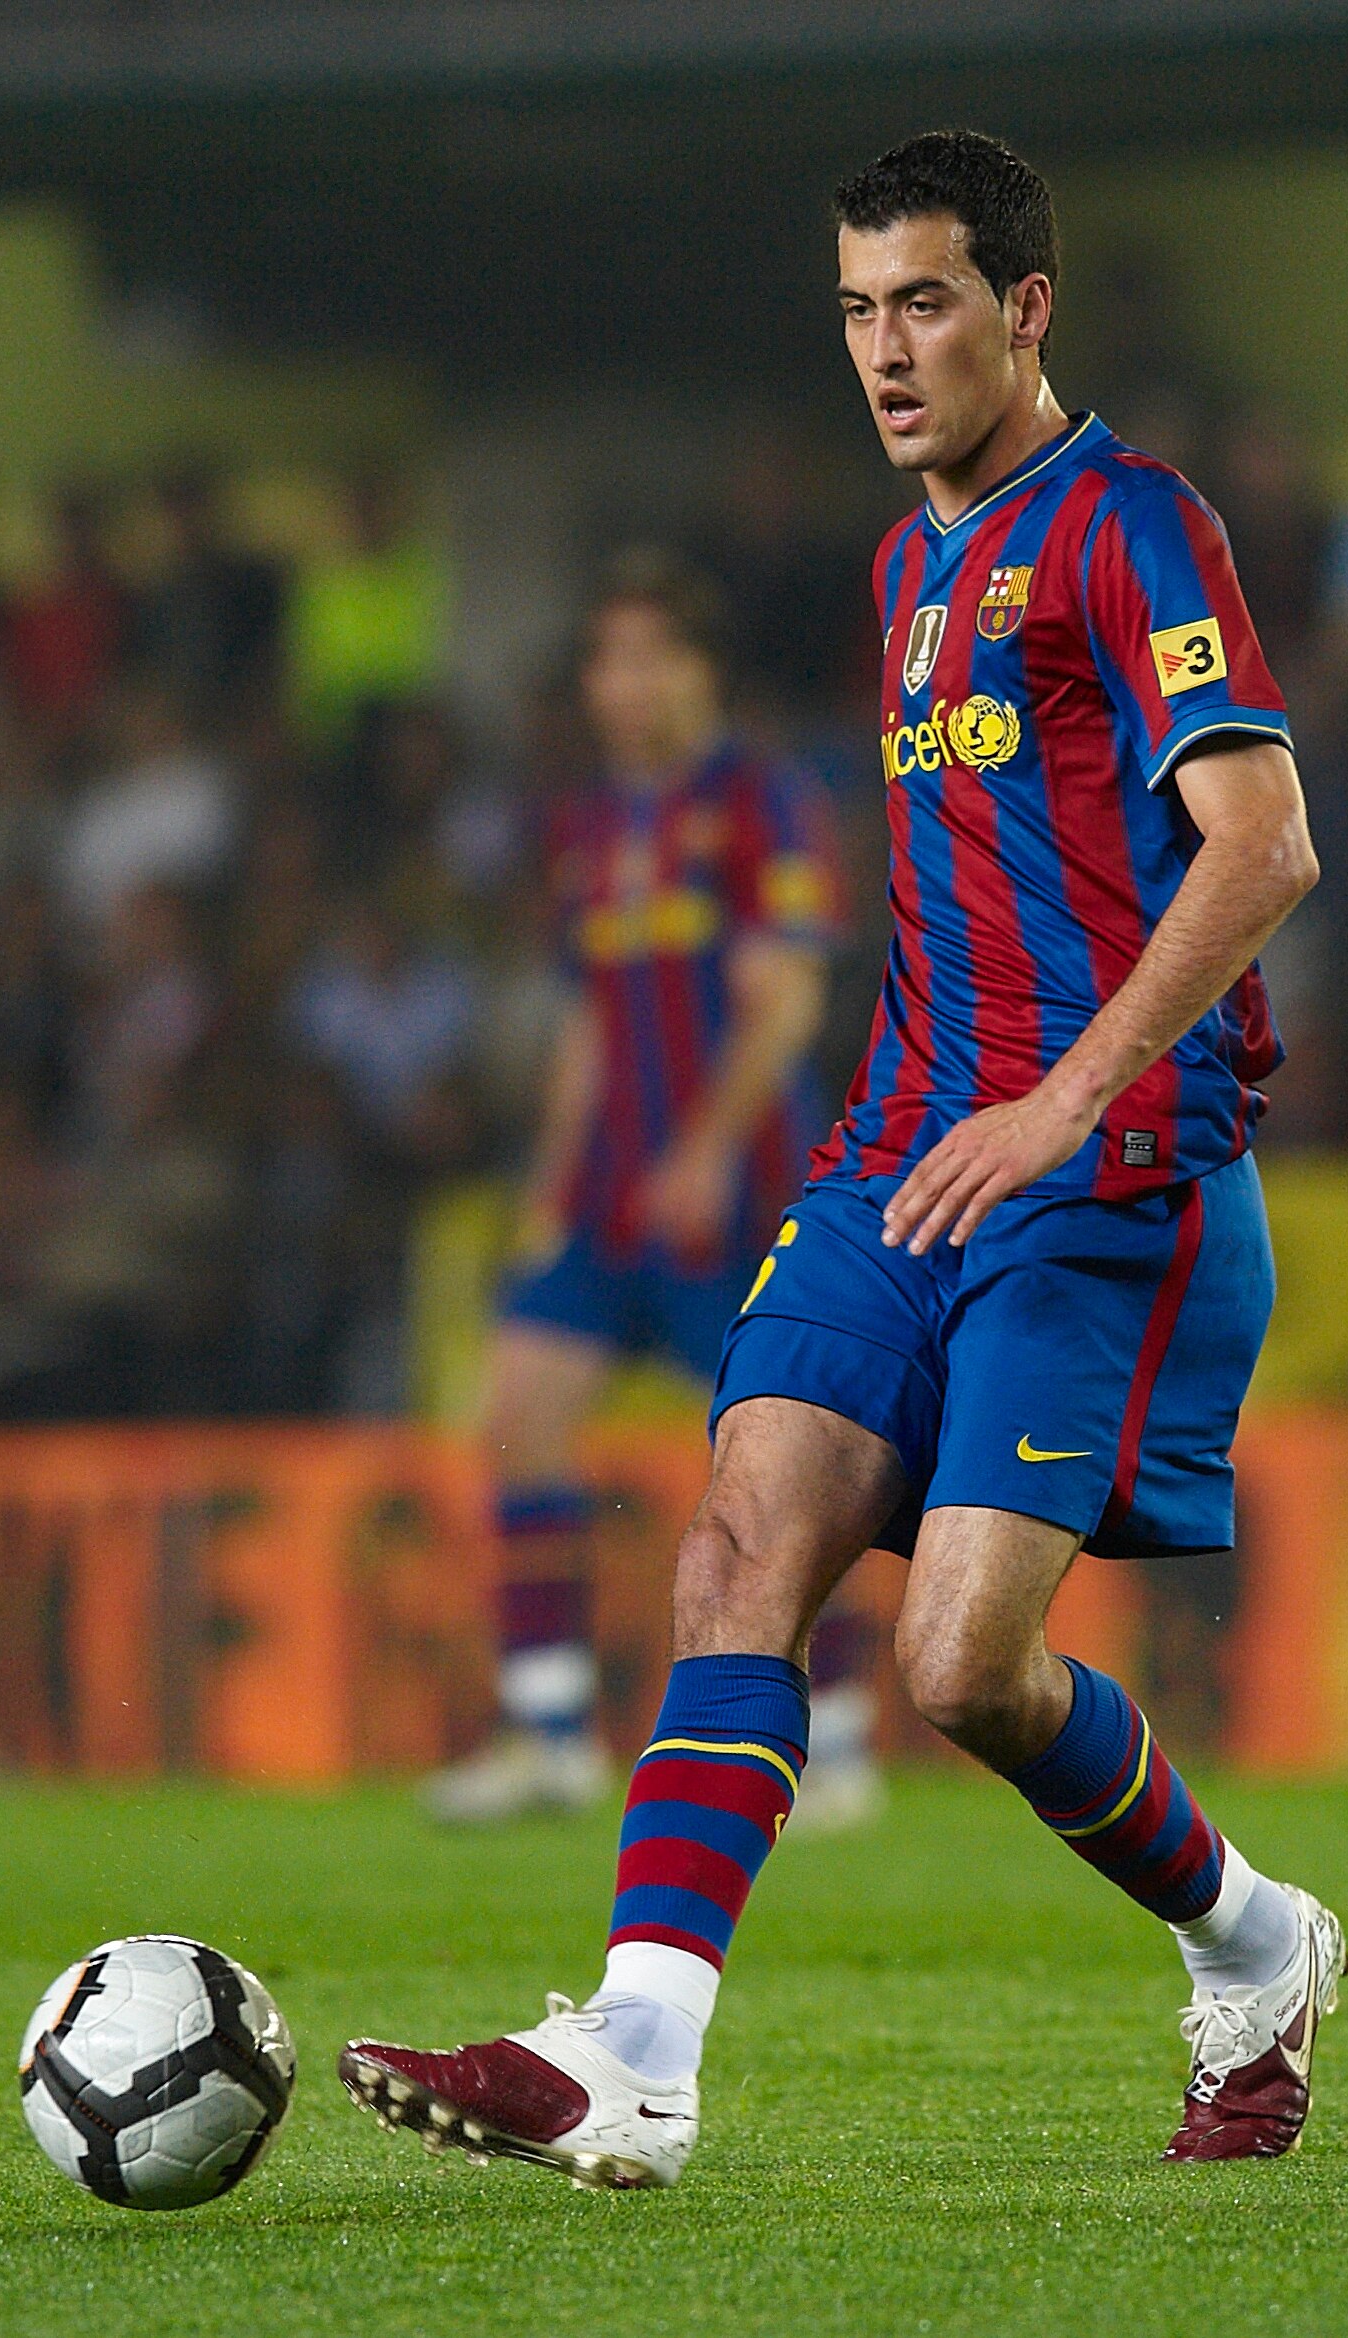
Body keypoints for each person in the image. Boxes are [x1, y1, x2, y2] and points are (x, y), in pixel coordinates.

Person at [341, 130, 1338, 2185]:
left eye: (925, 304)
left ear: (1022, 306)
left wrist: (1057, 1098)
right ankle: (633, 2045)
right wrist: (937, 1106)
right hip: (902, 1160)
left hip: (1107, 1179)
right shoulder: (901, 569)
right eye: (857, 311)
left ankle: (1252, 1938)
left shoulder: (1133, 525)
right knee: (736, 1537)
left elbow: (1262, 841)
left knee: (963, 1665)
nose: (884, 351)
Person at [421, 549, 882, 1827]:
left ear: (700, 670)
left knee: (783, 1469)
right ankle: (551, 1729)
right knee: (516, 1409)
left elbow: (785, 1004)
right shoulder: (590, 823)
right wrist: (555, 1182)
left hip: (732, 1193)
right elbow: (587, 1025)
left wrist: (705, 1147)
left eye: (646, 658)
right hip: (611, 1189)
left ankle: (834, 1733)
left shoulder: (762, 802)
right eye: (602, 660)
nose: (620, 685)